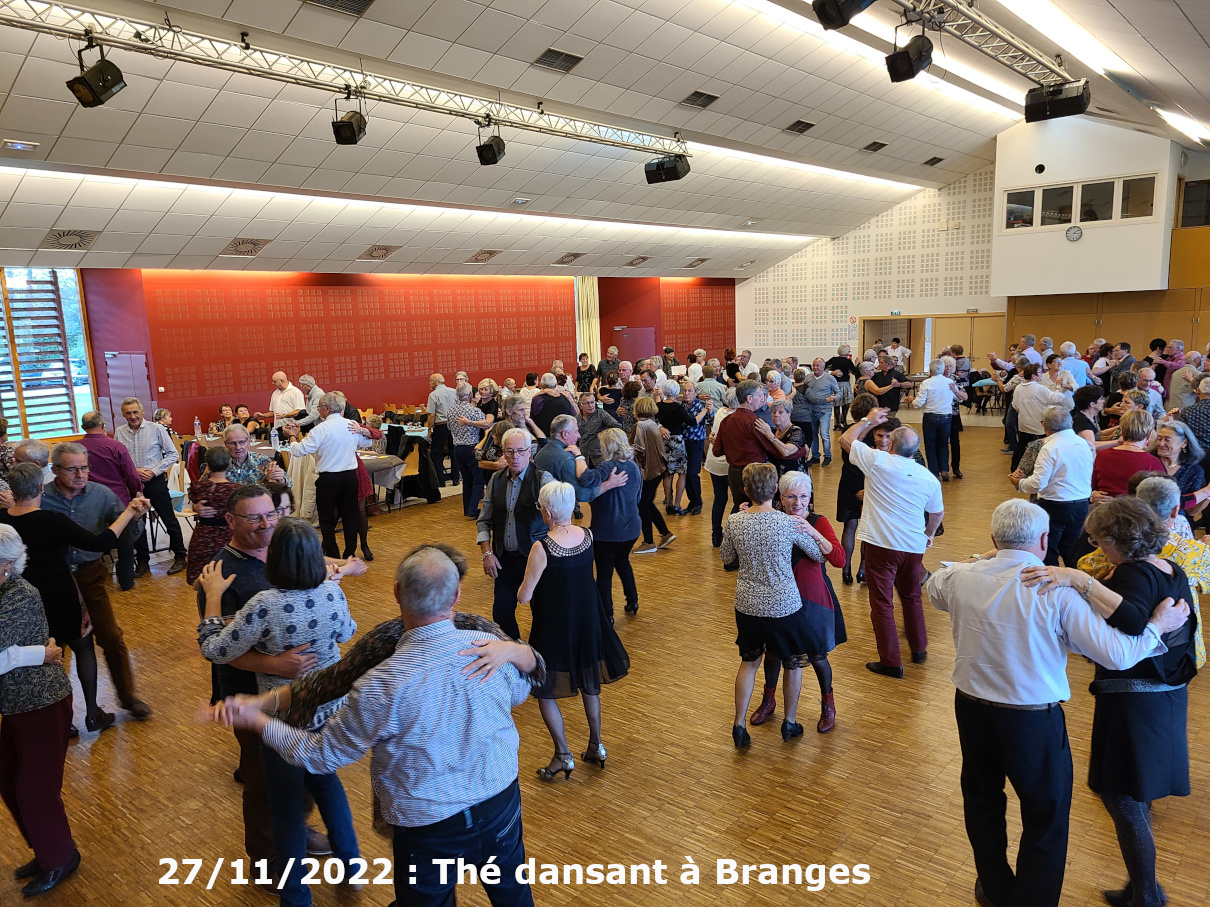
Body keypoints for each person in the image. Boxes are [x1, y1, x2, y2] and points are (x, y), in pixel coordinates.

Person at [217, 544, 540, 907]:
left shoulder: (381, 685)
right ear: (456, 597)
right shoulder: (488, 648)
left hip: (428, 825)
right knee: (513, 895)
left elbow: (321, 755)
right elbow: (521, 691)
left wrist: (259, 720)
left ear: (397, 592)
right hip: (501, 802)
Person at [927, 499, 1189, 907]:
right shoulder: (1056, 592)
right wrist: (1158, 626)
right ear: (1045, 539)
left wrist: (984, 559)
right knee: (1045, 818)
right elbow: (1117, 655)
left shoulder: (959, 578)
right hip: (1032, 723)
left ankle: (995, 889)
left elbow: (933, 588)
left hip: (971, 712)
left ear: (994, 538)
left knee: (981, 802)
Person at [1022, 497, 1197, 907]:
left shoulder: (1134, 573)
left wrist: (1076, 580)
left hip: (1135, 700)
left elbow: (1133, 622)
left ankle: (1147, 895)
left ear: (1120, 539)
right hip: (1164, 696)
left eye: (1101, 540)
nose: (1098, 547)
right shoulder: (1170, 568)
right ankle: (1140, 888)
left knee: (1122, 796)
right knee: (1134, 793)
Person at [198, 517, 359, 907]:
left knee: (285, 809)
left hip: (282, 719)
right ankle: (351, 866)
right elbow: (347, 632)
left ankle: (296, 896)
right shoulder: (332, 591)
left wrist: (214, 596)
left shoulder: (264, 605)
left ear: (275, 559)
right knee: (327, 785)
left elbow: (215, 649)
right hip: (329, 712)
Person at [0, 462, 148, 732]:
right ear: (40, 487)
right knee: (83, 647)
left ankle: (61, 720)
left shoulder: (3, 521)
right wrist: (129, 512)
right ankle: (92, 713)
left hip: (25, 600)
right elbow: (100, 543)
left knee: (44, 655)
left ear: (12, 489)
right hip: (61, 594)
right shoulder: (52, 520)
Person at [515, 482, 629, 780]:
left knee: (544, 689)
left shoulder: (541, 548)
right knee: (590, 681)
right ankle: (596, 745)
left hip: (554, 625)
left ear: (547, 513)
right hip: (587, 620)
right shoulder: (587, 536)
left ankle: (562, 755)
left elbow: (524, 596)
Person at [721, 464, 829, 747]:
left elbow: (726, 557)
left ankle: (739, 724)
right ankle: (789, 722)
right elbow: (818, 555)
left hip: (747, 604)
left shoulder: (735, 521)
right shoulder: (787, 523)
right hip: (784, 605)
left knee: (749, 663)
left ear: (746, 490)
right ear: (775, 491)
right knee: (792, 663)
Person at [42, 442, 151, 720]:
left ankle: (127, 696)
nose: (80, 474)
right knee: (56, 645)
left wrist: (136, 519)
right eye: (72, 469)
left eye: (85, 468)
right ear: (55, 470)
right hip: (54, 581)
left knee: (111, 637)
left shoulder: (102, 495)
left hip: (90, 575)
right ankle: (60, 714)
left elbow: (127, 536)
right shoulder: (42, 498)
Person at [0, 525, 80, 897]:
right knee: (8, 779)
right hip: (15, 706)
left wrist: (30, 655)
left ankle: (59, 857)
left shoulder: (20, 594)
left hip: (42, 703)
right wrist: (37, 653)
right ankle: (48, 847)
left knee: (35, 789)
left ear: (7, 563)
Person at [839, 410, 943, 678]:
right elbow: (937, 513)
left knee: (882, 603)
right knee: (911, 596)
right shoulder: (928, 477)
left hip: (882, 545)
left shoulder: (878, 461)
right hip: (913, 547)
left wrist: (868, 420)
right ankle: (918, 649)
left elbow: (845, 439)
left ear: (892, 445)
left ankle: (891, 661)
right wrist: (929, 535)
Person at [748, 472, 847, 734]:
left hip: (811, 599)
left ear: (810, 497)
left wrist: (813, 532)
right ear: (780, 498)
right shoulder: (773, 519)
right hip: (779, 599)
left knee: (817, 656)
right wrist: (748, 513)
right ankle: (768, 700)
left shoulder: (818, 521)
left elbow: (839, 560)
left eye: (803, 496)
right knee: (774, 652)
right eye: (791, 496)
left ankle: (828, 705)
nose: (798, 502)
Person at [1079, 476, 1207, 670]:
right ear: (1175, 509)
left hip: (1126, 652)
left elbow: (1084, 567)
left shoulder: (1113, 549)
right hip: (1177, 650)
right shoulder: (1194, 552)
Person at [477, 428, 556, 640]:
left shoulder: (543, 479)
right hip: (505, 559)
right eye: (509, 451)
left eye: (520, 451)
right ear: (503, 452)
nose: (515, 457)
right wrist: (487, 553)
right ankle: (514, 649)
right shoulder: (496, 479)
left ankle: (539, 653)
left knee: (543, 612)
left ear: (530, 451)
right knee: (501, 612)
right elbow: (484, 520)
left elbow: (559, 517)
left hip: (535, 560)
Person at [280, 392, 373, 558]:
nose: (318, 409)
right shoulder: (351, 425)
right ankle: (349, 554)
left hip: (329, 479)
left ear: (328, 408)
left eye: (320, 406)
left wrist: (292, 436)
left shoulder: (320, 429)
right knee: (350, 516)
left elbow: (299, 451)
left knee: (326, 519)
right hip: (350, 477)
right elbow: (367, 442)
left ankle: (333, 555)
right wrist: (362, 431)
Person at [114, 396, 188, 576]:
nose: (133, 416)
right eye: (128, 413)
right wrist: (134, 471)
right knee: (137, 521)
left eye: (135, 412)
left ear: (142, 411)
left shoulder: (157, 428)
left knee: (168, 519)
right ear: (123, 415)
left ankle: (180, 556)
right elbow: (117, 460)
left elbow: (172, 454)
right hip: (133, 483)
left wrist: (154, 471)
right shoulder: (119, 432)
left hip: (155, 481)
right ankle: (143, 562)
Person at [1013, 407, 1094, 566]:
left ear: (1044, 426)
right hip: (1081, 504)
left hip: (1055, 505)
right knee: (1071, 549)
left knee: (1048, 549)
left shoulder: (1049, 448)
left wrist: (1019, 483)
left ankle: (1052, 579)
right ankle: (1073, 577)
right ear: (1071, 423)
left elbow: (1038, 483)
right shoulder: (1084, 443)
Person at [577, 428, 642, 620]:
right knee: (623, 562)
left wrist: (578, 456)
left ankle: (607, 614)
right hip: (631, 528)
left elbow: (585, 479)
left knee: (604, 573)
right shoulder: (633, 467)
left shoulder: (606, 467)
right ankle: (633, 600)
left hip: (607, 531)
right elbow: (638, 497)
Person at [713, 380, 806, 511]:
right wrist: (801, 451)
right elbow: (776, 452)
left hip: (733, 474)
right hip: (753, 475)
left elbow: (717, 451)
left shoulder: (726, 420)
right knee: (755, 510)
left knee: (740, 508)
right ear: (749, 398)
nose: (763, 398)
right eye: (760, 395)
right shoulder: (755, 422)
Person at [77, 410, 143, 590]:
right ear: (103, 425)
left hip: (87, 500)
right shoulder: (116, 446)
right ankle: (126, 581)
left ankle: (93, 580)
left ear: (83, 427)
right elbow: (131, 474)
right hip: (118, 499)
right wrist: (138, 491)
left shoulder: (76, 448)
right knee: (125, 541)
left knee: (90, 539)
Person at [834, 393, 880, 586]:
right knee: (867, 529)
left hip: (848, 480)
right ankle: (862, 570)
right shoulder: (877, 433)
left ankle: (846, 571)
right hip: (868, 482)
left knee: (849, 526)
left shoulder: (848, 430)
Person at [185, 445, 238, 584]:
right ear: (229, 464)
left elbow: (193, 497)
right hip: (228, 536)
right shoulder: (236, 490)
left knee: (201, 577)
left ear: (207, 465)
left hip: (203, 535)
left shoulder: (198, 487)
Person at [631, 397, 676, 554]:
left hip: (648, 471)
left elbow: (636, 449)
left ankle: (649, 542)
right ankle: (665, 533)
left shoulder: (640, 426)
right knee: (647, 503)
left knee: (643, 504)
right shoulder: (652, 424)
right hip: (658, 469)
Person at [1091, 411, 1165, 501]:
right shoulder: (1153, 462)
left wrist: (1094, 494)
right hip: (1135, 508)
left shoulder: (1102, 455)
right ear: (1149, 435)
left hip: (1103, 507)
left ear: (1121, 432)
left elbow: (1093, 486)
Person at [1010, 365, 1071, 471]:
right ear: (1033, 376)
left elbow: (1015, 406)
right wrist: (1058, 386)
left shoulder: (1018, 388)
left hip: (1024, 423)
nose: (1042, 374)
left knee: (1022, 446)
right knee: (1040, 448)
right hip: (1038, 424)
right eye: (1040, 372)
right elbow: (1058, 398)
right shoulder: (1039, 388)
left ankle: (1015, 468)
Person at [908, 359, 958, 479]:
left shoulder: (926, 383)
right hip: (946, 417)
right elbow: (957, 397)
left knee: (930, 446)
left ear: (931, 369)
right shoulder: (949, 382)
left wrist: (912, 401)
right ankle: (944, 470)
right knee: (944, 444)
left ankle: (934, 472)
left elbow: (918, 403)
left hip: (930, 417)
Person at [449, 382, 489, 520]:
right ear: (470, 394)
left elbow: (449, 427)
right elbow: (486, 425)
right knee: (479, 480)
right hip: (472, 447)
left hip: (457, 448)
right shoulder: (474, 411)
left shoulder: (451, 411)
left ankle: (467, 509)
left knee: (466, 480)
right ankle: (472, 508)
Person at [221, 423, 289, 487]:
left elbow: (289, 483)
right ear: (225, 444)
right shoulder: (220, 462)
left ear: (248, 441)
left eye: (242, 442)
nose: (238, 447)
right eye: (232, 443)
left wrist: (281, 479)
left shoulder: (261, 460)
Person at [801, 358, 839, 466]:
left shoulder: (830, 378)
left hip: (825, 410)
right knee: (813, 434)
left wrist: (834, 398)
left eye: (818, 365)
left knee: (824, 434)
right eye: (814, 365)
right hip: (811, 410)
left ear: (823, 367)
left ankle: (827, 455)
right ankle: (815, 456)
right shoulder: (808, 379)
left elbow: (838, 392)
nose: (815, 367)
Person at [1153, 420, 1205, 497]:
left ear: (1184, 443)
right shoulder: (1149, 463)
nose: (1161, 444)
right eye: (1159, 439)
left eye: (1167, 440)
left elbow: (1194, 501)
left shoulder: (1193, 471)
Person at [426, 373, 459, 487]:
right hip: (454, 424)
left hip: (441, 425)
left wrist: (429, 429)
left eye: (430, 381)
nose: (429, 383)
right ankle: (455, 479)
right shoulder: (454, 391)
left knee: (436, 453)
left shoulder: (433, 395)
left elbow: (431, 415)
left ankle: (441, 481)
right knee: (453, 451)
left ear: (435, 382)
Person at [576, 392, 621, 467]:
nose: (591, 405)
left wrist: (605, 435)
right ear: (580, 405)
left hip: (600, 457)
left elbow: (617, 426)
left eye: (592, 402)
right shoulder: (576, 419)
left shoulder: (601, 414)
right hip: (584, 458)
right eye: (587, 403)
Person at [529, 372, 578, 438]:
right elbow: (574, 415)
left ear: (541, 385)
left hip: (543, 436)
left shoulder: (537, 400)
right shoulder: (565, 396)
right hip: (565, 436)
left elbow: (532, 419)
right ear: (555, 385)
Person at [825, 345, 858, 429]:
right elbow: (855, 371)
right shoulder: (848, 361)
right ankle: (844, 420)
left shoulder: (833, 359)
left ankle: (837, 423)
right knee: (845, 404)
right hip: (845, 384)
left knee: (836, 405)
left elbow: (824, 367)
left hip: (835, 384)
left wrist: (832, 372)